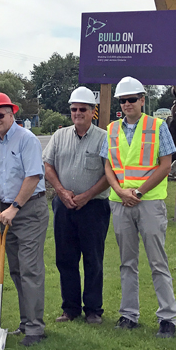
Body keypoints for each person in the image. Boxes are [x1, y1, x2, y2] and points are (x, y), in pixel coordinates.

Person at [101, 76, 176, 338]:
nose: (127, 104)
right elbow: (108, 166)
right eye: (123, 100)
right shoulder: (111, 129)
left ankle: (167, 318)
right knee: (127, 262)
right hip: (120, 202)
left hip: (149, 202)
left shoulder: (157, 127)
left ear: (142, 100)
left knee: (158, 261)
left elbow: (166, 165)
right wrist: (121, 191)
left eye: (132, 99)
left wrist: (139, 191)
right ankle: (128, 315)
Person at [0, 91, 49, 347]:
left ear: (12, 114)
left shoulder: (27, 139)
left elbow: (33, 176)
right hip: (4, 211)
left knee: (30, 268)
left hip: (29, 209)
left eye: (1, 115)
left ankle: (35, 329)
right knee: (16, 269)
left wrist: (15, 207)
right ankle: (26, 322)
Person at [43, 86, 110, 324]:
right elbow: (48, 165)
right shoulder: (59, 136)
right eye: (74, 109)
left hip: (93, 208)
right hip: (64, 205)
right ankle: (70, 309)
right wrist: (60, 191)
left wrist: (87, 195)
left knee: (93, 258)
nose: (78, 113)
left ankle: (93, 309)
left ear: (93, 111)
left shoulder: (103, 137)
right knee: (65, 258)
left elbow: (109, 174)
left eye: (83, 109)